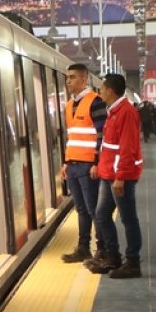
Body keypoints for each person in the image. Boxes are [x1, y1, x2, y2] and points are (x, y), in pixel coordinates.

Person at [85, 73, 145, 278]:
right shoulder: (114, 111)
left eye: (102, 89)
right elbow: (109, 147)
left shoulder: (126, 112)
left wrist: (121, 176)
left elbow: (127, 148)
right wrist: (100, 167)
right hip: (108, 174)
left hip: (120, 177)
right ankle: (113, 256)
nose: (100, 92)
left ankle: (133, 262)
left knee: (128, 219)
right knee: (101, 214)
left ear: (110, 91)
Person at [59, 63, 108, 264]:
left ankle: (102, 249)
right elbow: (71, 137)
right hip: (73, 164)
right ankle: (83, 248)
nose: (68, 81)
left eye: (72, 77)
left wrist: (97, 162)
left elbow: (101, 135)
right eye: (67, 77)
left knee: (92, 209)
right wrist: (65, 162)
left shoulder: (95, 102)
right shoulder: (69, 105)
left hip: (88, 165)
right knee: (80, 209)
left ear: (84, 79)